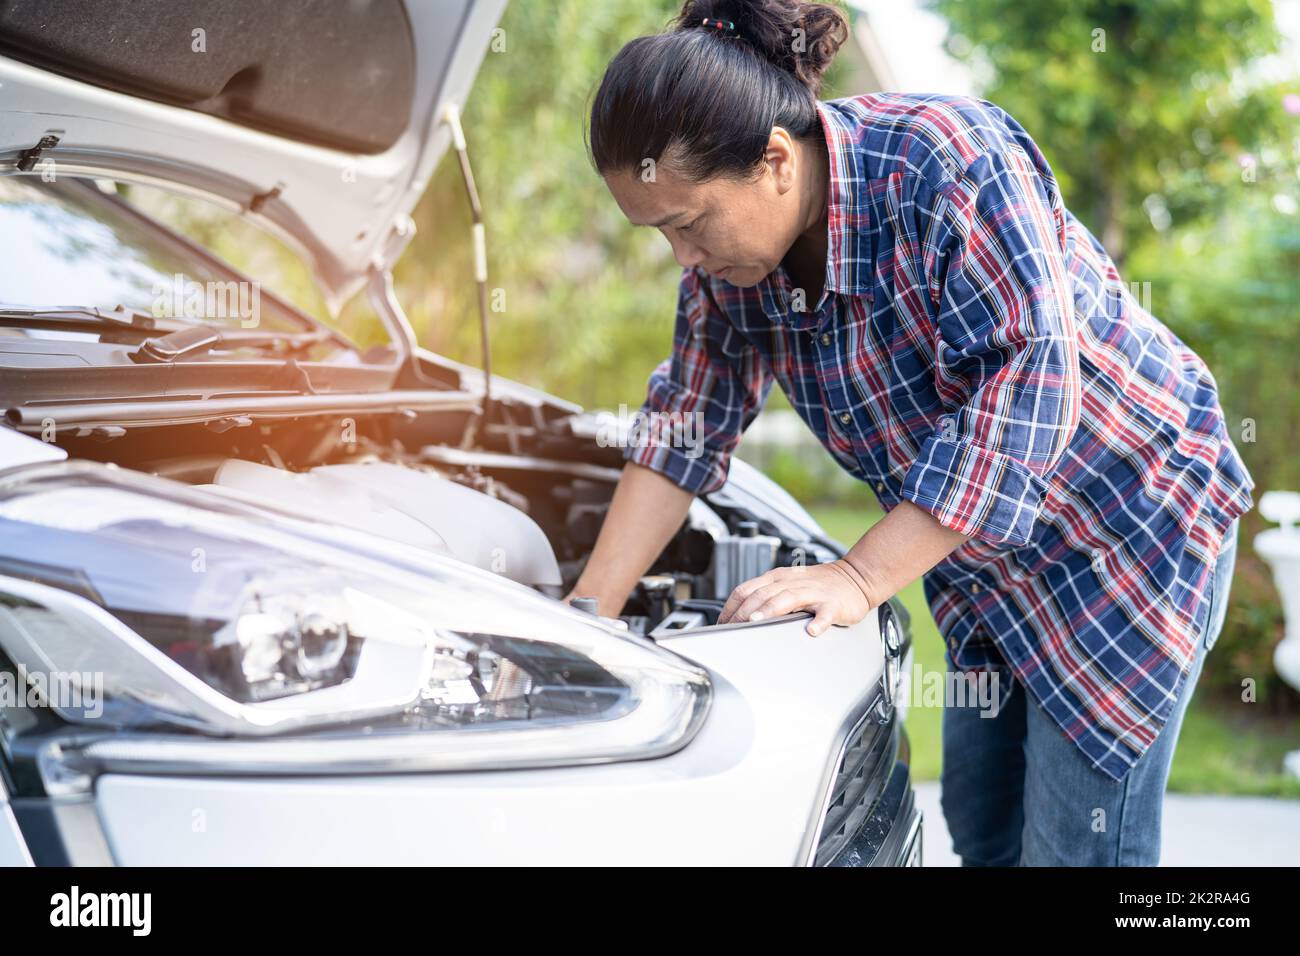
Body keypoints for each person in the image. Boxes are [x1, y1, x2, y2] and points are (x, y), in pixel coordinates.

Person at [567, 0, 1255, 866]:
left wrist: (859, 576)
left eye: (687, 222)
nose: (682, 258)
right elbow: (684, 429)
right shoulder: (729, 273)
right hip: (981, 565)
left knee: (1074, 851)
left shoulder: (948, 163)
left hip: (1122, 531)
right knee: (984, 831)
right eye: (659, 231)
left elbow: (1028, 389)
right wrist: (585, 617)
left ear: (775, 161)